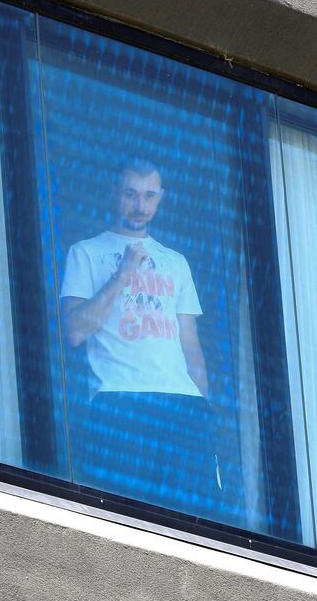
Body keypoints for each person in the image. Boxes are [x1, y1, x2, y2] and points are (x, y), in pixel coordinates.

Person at [60, 161, 220, 518]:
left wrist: (205, 409)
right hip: (120, 398)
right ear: (115, 194)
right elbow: (74, 331)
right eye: (131, 194)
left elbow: (190, 345)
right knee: (124, 516)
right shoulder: (85, 253)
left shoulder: (175, 261)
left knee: (191, 520)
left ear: (161, 198)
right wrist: (122, 274)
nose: (140, 205)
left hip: (182, 406)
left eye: (149, 195)